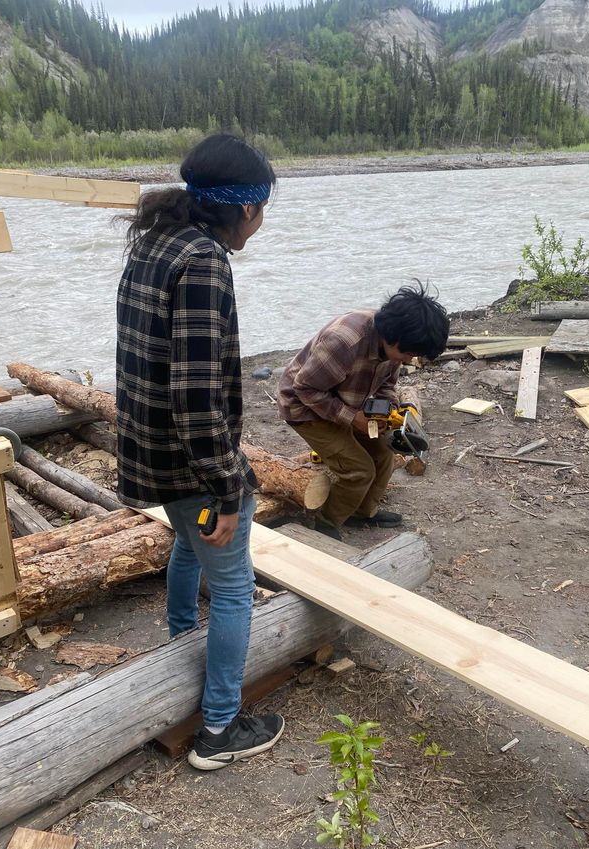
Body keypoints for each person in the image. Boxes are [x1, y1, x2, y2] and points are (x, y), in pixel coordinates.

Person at [115, 133, 285, 771]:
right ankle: (219, 727)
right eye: (262, 209)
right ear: (244, 208)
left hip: (146, 448)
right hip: (187, 457)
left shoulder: (157, 240)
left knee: (188, 542)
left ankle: (183, 639)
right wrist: (228, 485)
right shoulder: (205, 262)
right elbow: (195, 395)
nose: (261, 223)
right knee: (236, 586)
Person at [277, 283, 449, 532]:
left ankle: (361, 512)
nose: (410, 360)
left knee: (383, 455)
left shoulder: (393, 345)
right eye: (409, 353)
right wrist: (351, 417)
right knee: (358, 470)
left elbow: (387, 384)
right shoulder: (345, 341)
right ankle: (325, 524)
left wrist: (388, 408)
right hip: (305, 408)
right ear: (393, 337)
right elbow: (304, 389)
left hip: (348, 402)